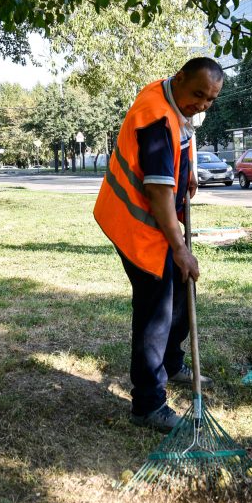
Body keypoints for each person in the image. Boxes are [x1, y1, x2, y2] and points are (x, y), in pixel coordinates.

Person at [93, 57, 224, 432]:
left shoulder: (174, 97)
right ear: (180, 78)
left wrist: (190, 168)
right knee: (157, 309)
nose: (202, 104)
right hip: (136, 223)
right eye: (198, 94)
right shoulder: (155, 117)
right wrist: (180, 247)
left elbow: (187, 130)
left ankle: (171, 362)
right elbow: (158, 192)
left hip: (155, 220)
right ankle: (148, 403)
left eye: (210, 99)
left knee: (182, 289)